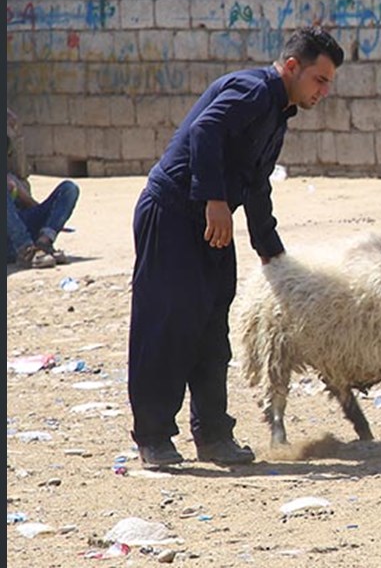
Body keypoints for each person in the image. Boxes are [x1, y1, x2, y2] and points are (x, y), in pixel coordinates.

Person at [128, 25, 344, 469]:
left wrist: (271, 252)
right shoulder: (252, 91)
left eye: (328, 83)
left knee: (210, 328)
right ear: (291, 67)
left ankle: (213, 436)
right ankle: (153, 438)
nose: (323, 91)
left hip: (211, 221)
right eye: (318, 80)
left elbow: (257, 182)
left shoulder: (277, 114)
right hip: (173, 214)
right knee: (166, 326)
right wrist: (215, 199)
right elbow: (205, 131)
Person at [7, 108, 79, 269]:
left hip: (24, 224)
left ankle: (43, 244)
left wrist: (19, 192)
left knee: (69, 189)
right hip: (8, 243)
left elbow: (32, 206)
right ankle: (26, 250)